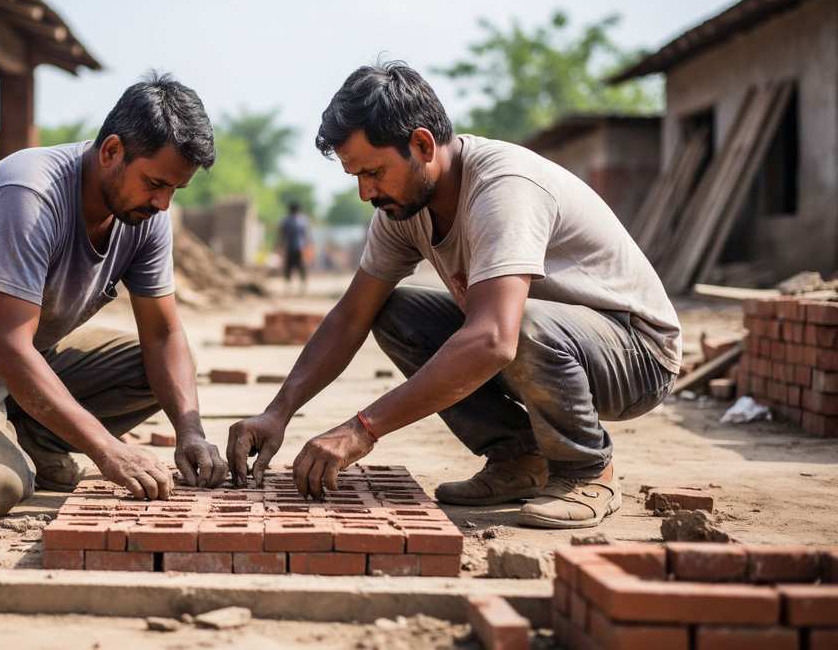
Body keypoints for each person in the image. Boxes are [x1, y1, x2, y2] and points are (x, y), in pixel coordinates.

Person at [226, 61, 681, 529]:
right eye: (355, 176)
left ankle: (587, 470)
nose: (366, 192)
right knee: (395, 312)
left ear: (423, 145)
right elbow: (350, 317)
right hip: (551, 349)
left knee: (513, 326)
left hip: (635, 356)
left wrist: (360, 430)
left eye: (374, 172)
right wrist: (276, 412)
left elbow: (494, 342)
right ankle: (519, 459)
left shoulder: (503, 188)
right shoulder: (401, 211)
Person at [0, 72, 228, 519]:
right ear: (111, 151)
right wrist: (107, 450)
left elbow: (163, 335)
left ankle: (29, 437)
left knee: (164, 366)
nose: (163, 204)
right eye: (155, 183)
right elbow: (6, 349)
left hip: (29, 348)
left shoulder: (146, 215)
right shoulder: (30, 194)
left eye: (174, 190)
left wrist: (190, 431)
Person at [278, 202, 312, 294]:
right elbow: (307, 235)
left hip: (290, 248)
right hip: (300, 247)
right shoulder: (303, 220)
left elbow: (282, 235)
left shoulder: (286, 221)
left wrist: (280, 246)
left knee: (290, 267)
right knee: (300, 267)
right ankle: (302, 288)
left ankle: (289, 288)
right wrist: (308, 246)